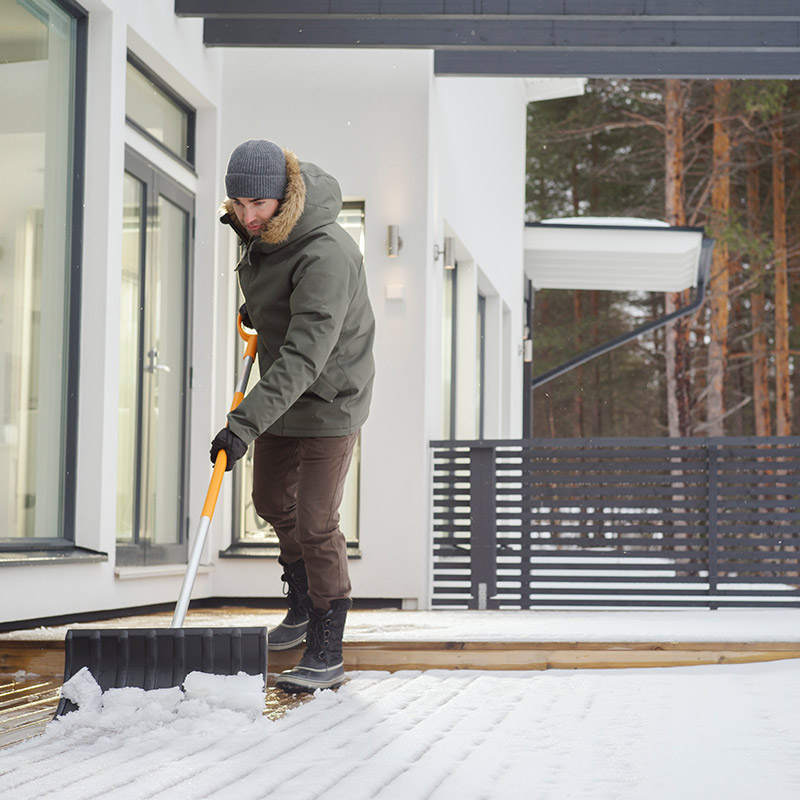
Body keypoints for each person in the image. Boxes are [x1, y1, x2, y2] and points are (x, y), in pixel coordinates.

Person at [210, 139, 375, 693]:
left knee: (314, 520)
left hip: (330, 396)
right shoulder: (263, 237)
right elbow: (280, 302)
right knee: (269, 501)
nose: (247, 215)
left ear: (285, 196)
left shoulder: (326, 251)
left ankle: (328, 641)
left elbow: (308, 352)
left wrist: (241, 425)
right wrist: (258, 309)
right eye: (237, 203)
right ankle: (302, 604)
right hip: (285, 387)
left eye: (258, 203)